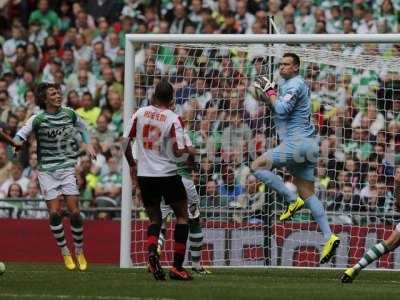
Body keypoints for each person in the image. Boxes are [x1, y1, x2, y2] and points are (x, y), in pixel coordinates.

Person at [252, 53, 340, 264]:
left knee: (256, 166)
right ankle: (329, 236)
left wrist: (269, 91)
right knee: (308, 192)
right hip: (308, 146)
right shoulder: (289, 85)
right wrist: (265, 93)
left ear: (297, 67)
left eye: (287, 64)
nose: (282, 67)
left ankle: (291, 200)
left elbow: (281, 108)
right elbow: (273, 102)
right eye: (281, 64)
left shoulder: (295, 84)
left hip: (297, 144)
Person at [8, 83, 96, 271]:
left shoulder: (69, 113)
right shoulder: (37, 119)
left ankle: (79, 250)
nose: (58, 95)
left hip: (66, 168)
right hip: (47, 171)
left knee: (75, 213)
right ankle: (65, 251)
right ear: (45, 99)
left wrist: (88, 144)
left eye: (58, 92)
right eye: (53, 94)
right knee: (55, 213)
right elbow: (18, 138)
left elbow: (84, 129)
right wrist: (14, 148)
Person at [123, 79, 192, 281]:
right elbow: (179, 150)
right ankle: (177, 267)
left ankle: (152, 252)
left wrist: (133, 164)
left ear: (153, 96)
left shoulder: (140, 113)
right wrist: (190, 157)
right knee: (182, 216)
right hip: (168, 175)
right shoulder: (172, 118)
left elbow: (125, 142)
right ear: (171, 99)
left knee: (155, 219)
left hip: (145, 176)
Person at [341, 167, 400, 283]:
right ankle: (355, 268)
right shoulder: (397, 188)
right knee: (389, 244)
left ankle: (356, 268)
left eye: (399, 173)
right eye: (397, 172)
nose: (396, 175)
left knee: (389, 244)